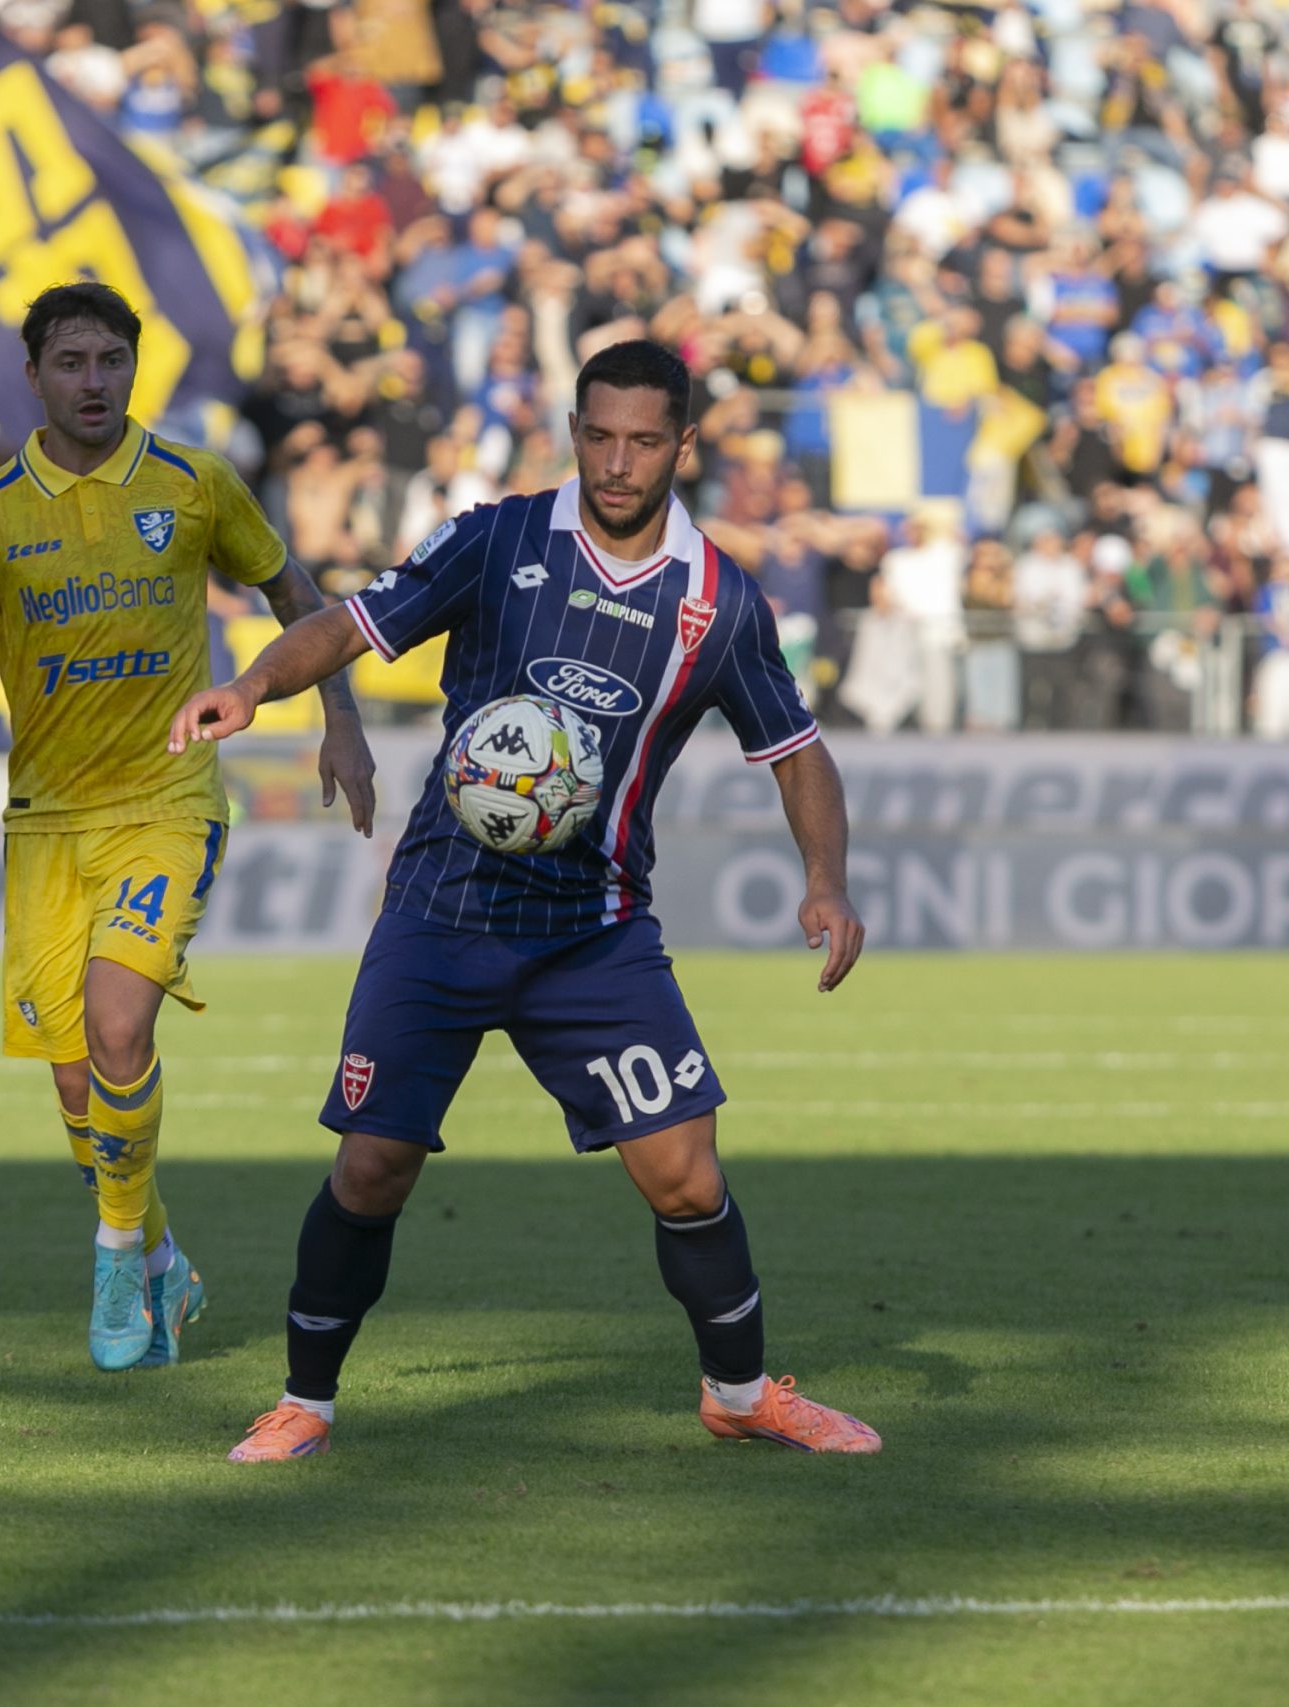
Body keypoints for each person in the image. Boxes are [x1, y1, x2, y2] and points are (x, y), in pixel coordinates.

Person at [169, 339, 880, 1462]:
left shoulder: (719, 601)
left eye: (643, 441)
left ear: (682, 446)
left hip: (592, 935)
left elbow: (794, 751)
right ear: (573, 430)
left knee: (687, 1178)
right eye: (596, 435)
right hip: (441, 912)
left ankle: (740, 1395)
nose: (615, 462)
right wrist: (253, 684)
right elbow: (354, 623)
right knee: (370, 1167)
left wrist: (826, 883)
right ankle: (306, 1399)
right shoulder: (498, 539)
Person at [0, 281, 378, 1374]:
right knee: (78, 1082)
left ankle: (117, 1257)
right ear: (33, 375)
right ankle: (166, 1254)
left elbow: (295, 593)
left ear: (134, 370)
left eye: (110, 362)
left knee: (121, 1028)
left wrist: (340, 723)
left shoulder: (195, 482)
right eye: (70, 362)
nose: (92, 382)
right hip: (44, 821)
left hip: (165, 802)